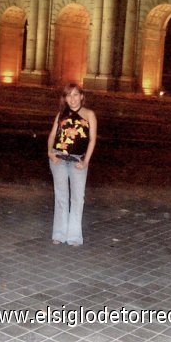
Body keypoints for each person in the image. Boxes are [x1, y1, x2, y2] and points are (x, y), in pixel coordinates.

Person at [47, 82, 97, 246]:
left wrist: (85, 162)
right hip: (59, 158)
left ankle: (74, 236)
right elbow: (53, 135)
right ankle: (59, 234)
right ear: (65, 98)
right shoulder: (61, 114)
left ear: (81, 96)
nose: (73, 99)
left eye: (76, 95)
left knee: (77, 198)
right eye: (69, 95)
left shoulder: (89, 114)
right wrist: (50, 153)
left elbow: (92, 140)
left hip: (78, 160)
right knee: (61, 197)